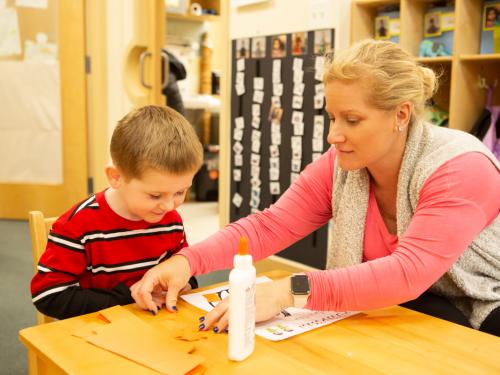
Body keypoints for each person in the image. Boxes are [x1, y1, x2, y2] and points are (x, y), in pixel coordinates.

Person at [132, 40, 500, 336]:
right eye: (333, 117)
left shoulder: (459, 167)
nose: (333, 135)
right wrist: (187, 260)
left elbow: (408, 273)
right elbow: (270, 226)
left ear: (401, 114)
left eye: (352, 120)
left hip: (483, 304)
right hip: (417, 305)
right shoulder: (341, 163)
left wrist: (286, 290)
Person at [30, 105, 203, 319]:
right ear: (116, 177)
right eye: (155, 196)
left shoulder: (170, 220)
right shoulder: (77, 225)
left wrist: (184, 282)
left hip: (153, 324)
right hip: (98, 331)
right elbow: (48, 295)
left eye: (180, 192)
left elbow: (184, 266)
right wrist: (127, 299)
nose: (169, 206)